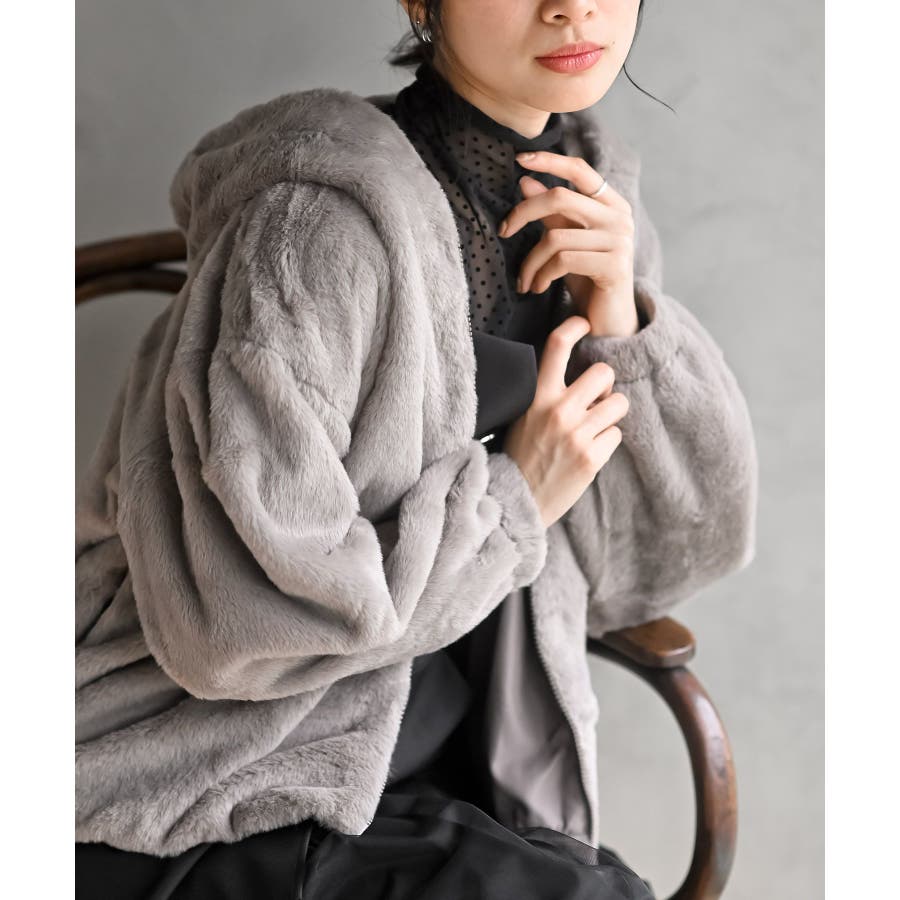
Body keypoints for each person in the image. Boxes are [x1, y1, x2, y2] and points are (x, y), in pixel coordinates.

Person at [75, 1, 759, 897]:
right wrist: (514, 500)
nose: (572, 6)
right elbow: (233, 627)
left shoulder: (591, 208)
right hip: (208, 779)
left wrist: (622, 320)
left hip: (454, 772)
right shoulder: (313, 224)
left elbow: (648, 570)